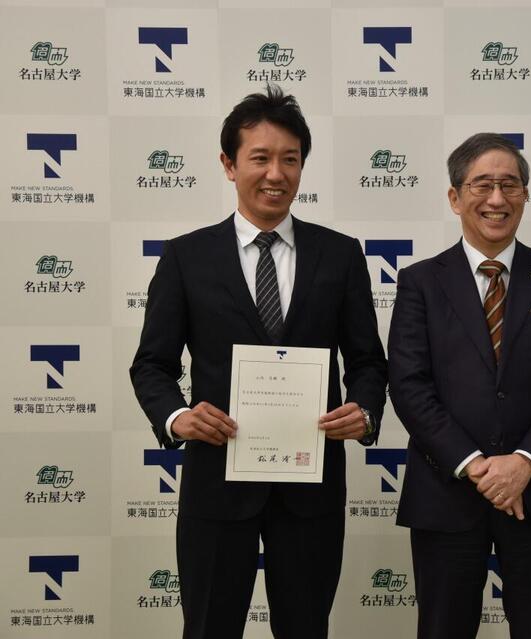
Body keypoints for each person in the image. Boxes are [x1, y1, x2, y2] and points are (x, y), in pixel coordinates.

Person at [130, 86, 387, 639]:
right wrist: (178, 418)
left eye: (290, 160)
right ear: (228, 164)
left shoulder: (341, 255)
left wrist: (364, 411)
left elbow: (368, 360)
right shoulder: (186, 257)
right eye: (261, 158)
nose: (277, 174)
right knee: (208, 627)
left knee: (305, 629)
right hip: (216, 484)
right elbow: (151, 365)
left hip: (311, 489)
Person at [388, 133, 531, 639]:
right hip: (447, 489)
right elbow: (409, 386)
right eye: (483, 185)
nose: (497, 199)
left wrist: (523, 463)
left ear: (526, 195)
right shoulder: (420, 281)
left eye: (511, 185)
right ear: (456, 197)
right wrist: (475, 466)